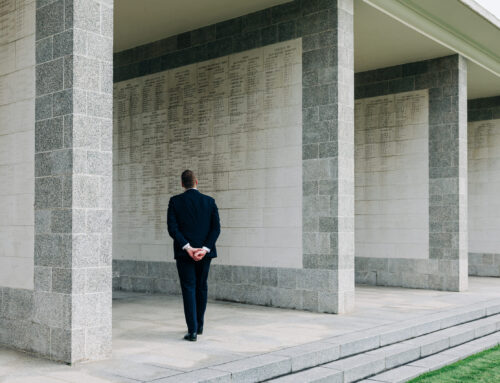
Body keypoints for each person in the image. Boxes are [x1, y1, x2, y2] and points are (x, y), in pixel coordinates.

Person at [167, 170, 221, 341]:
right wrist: (204, 249)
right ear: (196, 182)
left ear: (182, 184)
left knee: (189, 288)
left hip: (184, 254)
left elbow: (172, 228)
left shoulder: (175, 201)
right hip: (204, 254)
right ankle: (200, 325)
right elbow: (216, 228)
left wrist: (188, 247)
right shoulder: (209, 201)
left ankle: (192, 331)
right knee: (201, 287)